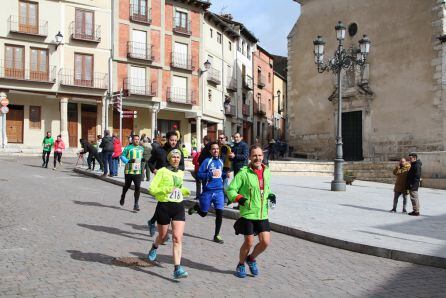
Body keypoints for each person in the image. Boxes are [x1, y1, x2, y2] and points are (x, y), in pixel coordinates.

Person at [227, 145, 276, 278]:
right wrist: (239, 199)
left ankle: (251, 258)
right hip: (248, 212)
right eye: (254, 155)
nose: (257, 158)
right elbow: (231, 189)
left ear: (263, 156)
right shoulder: (243, 173)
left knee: (265, 242)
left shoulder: (267, 171)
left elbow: (265, 189)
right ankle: (241, 264)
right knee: (249, 242)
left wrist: (271, 195)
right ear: (249, 157)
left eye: (260, 155)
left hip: (262, 213)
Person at [147, 149, 190, 279]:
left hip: (178, 206)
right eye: (174, 157)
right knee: (163, 236)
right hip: (164, 206)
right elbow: (152, 189)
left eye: (178, 157)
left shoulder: (181, 173)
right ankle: (154, 247)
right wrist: (166, 189)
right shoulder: (162, 171)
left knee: (177, 238)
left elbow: (178, 189)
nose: (176, 159)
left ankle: (177, 268)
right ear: (169, 158)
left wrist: (185, 191)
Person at [147, 131, 185, 236]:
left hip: (174, 180)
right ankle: (161, 229)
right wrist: (154, 170)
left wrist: (178, 172)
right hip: (162, 180)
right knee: (163, 202)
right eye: (171, 140)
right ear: (167, 139)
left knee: (164, 203)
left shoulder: (178, 152)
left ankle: (153, 222)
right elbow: (150, 162)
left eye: (175, 140)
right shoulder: (159, 150)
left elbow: (182, 166)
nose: (173, 142)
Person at [188, 142, 227, 244]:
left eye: (217, 149)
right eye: (213, 149)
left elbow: (220, 175)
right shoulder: (206, 161)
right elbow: (199, 175)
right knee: (204, 213)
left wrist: (225, 175)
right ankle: (196, 207)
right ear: (210, 151)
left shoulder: (221, 161)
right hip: (208, 191)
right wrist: (210, 174)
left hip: (219, 191)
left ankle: (216, 235)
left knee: (219, 214)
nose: (215, 151)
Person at [119, 135, 144, 212]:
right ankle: (123, 196)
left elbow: (141, 157)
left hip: (138, 171)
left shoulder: (141, 148)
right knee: (127, 186)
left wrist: (143, 160)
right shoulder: (128, 148)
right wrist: (128, 161)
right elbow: (122, 156)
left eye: (138, 139)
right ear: (132, 140)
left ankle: (136, 204)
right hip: (129, 171)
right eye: (135, 139)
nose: (137, 140)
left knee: (137, 187)